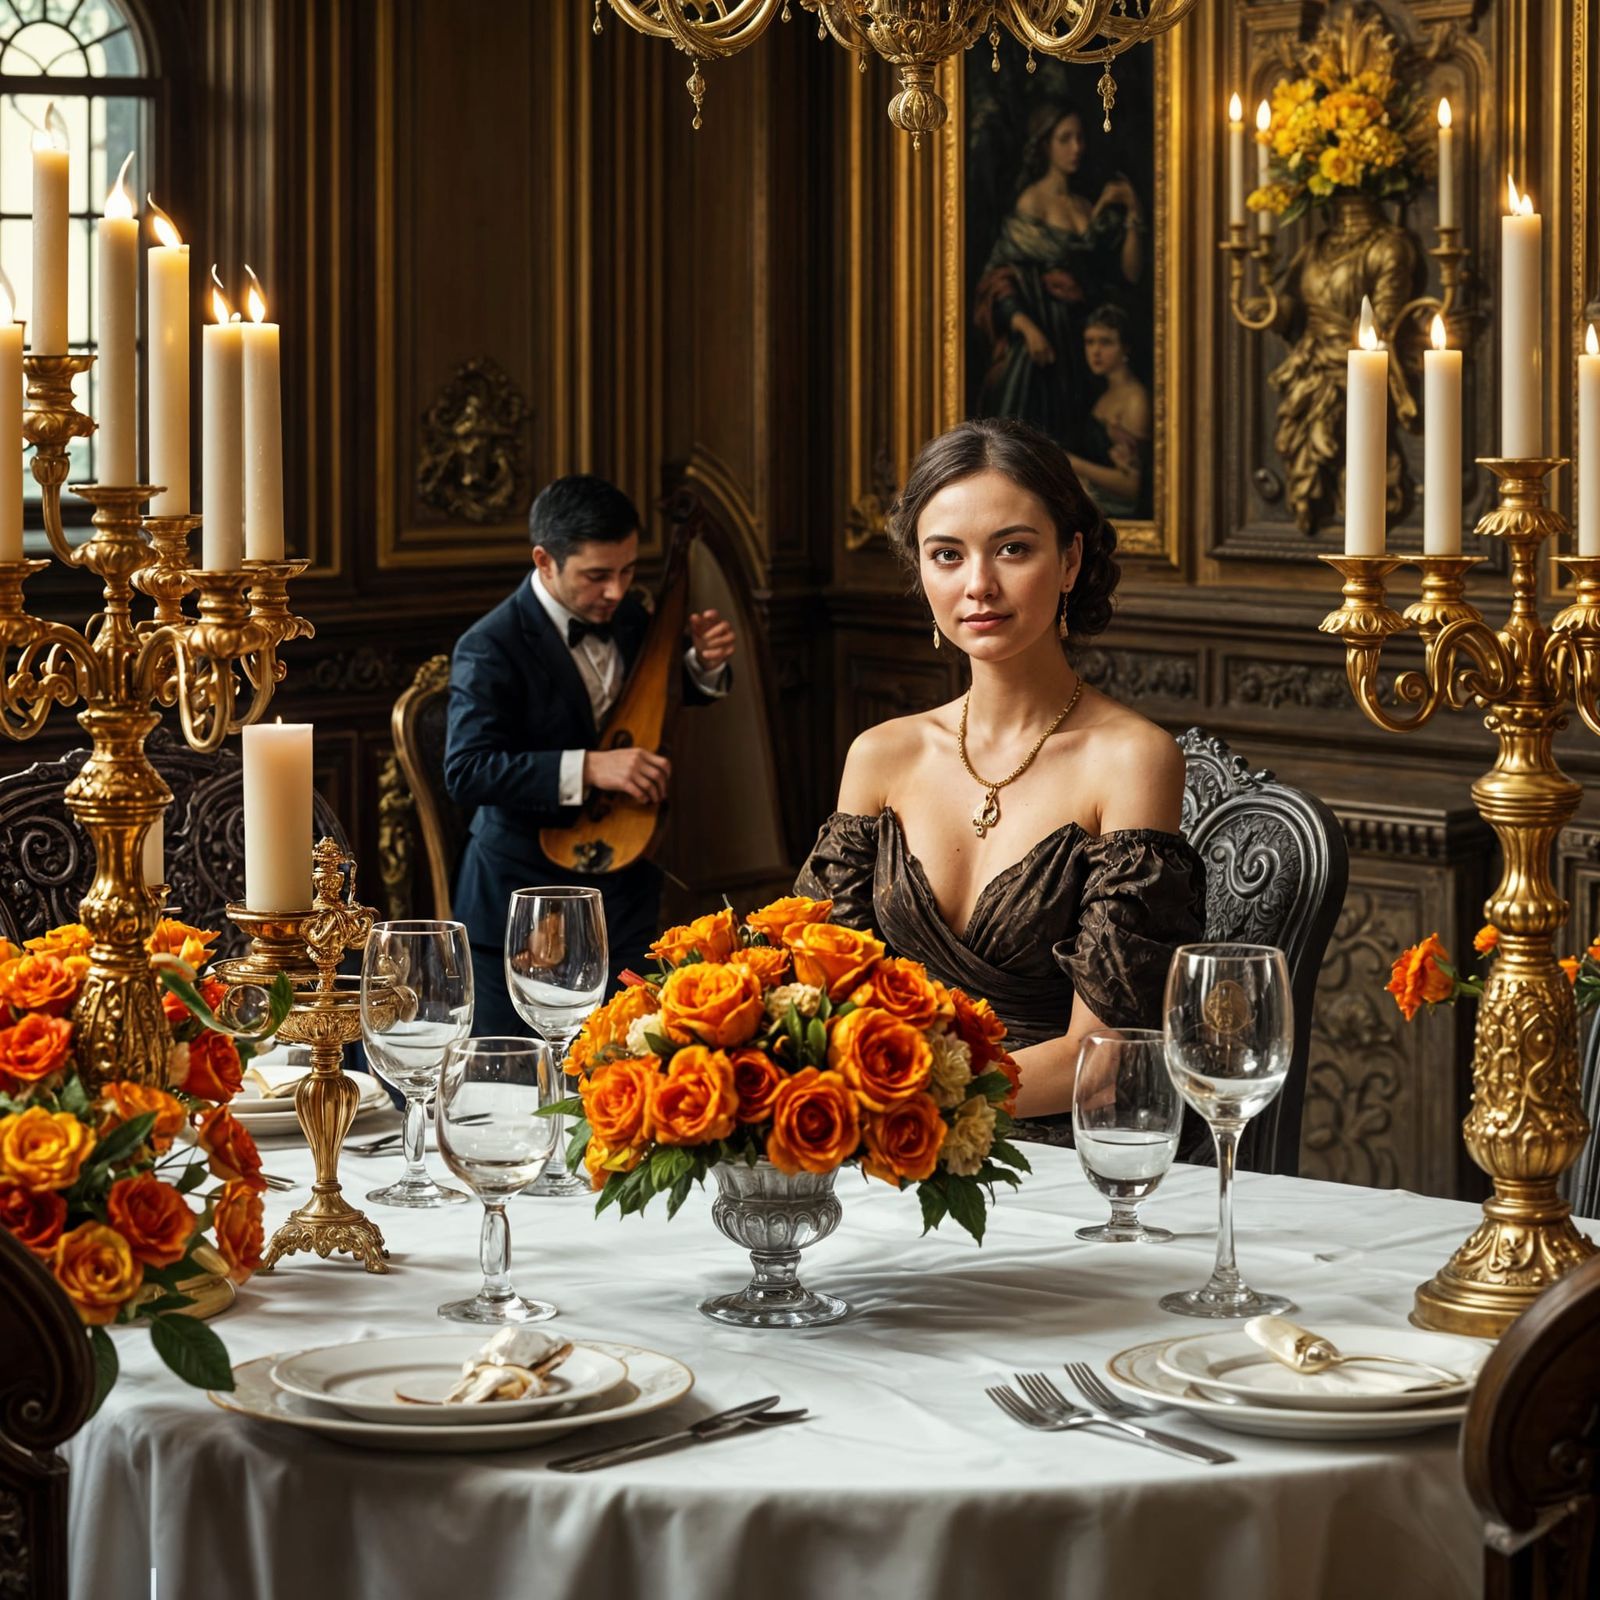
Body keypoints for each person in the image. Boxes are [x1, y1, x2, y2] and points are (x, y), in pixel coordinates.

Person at [794, 418, 1204, 1141]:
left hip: (1054, 1151)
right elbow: (812, 1001)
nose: (978, 585)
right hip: (880, 1144)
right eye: (946, 555)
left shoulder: (1132, 759)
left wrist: (906, 1099)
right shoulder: (880, 757)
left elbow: (1103, 1058)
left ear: (1070, 560)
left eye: (1013, 549)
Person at [445, 474, 736, 1035]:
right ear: (545, 561)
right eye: (597, 575)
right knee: (526, 1072)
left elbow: (647, 701)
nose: (617, 591)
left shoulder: (628, 618)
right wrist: (590, 767)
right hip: (522, 898)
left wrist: (700, 665)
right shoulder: (489, 646)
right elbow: (467, 772)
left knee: (623, 1058)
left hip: (624, 890)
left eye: (627, 571)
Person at [973, 101, 1145, 452]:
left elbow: (1130, 273)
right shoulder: (1032, 202)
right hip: (1045, 338)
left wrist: (1132, 210)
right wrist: (1027, 328)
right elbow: (999, 276)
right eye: (1065, 139)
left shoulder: (1086, 205)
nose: (1076, 147)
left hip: (1083, 336)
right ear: (1045, 145)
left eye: (1080, 138)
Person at [1067, 304, 1150, 520]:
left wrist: (1074, 463)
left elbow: (1133, 486)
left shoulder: (1135, 400)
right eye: (1089, 342)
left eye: (1105, 342)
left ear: (1125, 348)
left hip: (1121, 513)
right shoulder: (1105, 393)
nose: (1095, 351)